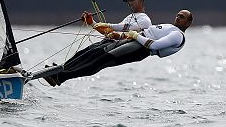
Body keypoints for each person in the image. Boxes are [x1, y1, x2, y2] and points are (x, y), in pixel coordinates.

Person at [43, 9, 193, 86]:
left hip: (140, 49)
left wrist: (135, 36)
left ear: (187, 23)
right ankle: (62, 70)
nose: (178, 17)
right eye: (178, 15)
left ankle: (61, 78)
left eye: (182, 17)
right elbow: (141, 34)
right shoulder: (169, 27)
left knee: (100, 61)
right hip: (132, 41)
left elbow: (153, 44)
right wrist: (122, 36)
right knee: (94, 52)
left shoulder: (178, 35)